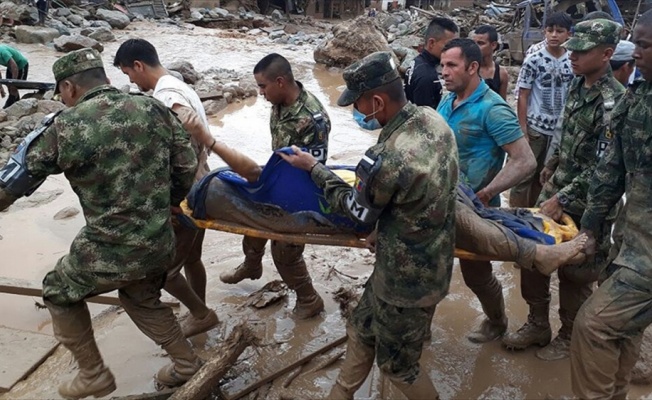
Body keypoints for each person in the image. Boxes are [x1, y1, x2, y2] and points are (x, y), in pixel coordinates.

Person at [0, 48, 202, 398]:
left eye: (61, 93)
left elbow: (10, 186)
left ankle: (93, 373)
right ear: (106, 79)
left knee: (59, 291)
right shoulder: (153, 107)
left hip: (110, 245)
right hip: (159, 239)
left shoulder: (64, 127)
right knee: (140, 295)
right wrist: (166, 203)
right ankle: (186, 364)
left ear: (69, 88)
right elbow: (187, 166)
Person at [280, 50, 458, 400]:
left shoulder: (387, 158)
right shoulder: (432, 120)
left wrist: (314, 169)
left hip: (404, 282)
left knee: (398, 367)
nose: (357, 112)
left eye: (358, 105)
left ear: (377, 101)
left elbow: (357, 217)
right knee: (361, 327)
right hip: (434, 260)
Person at [113, 39, 260, 338]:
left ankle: (201, 314)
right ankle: (199, 311)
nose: (130, 80)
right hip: (201, 183)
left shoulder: (168, 98)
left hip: (183, 193)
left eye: (128, 73)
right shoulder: (180, 87)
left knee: (164, 271)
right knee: (191, 258)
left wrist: (169, 199)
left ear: (139, 66)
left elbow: (179, 152)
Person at [503, 19, 626, 361]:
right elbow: (564, 129)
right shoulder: (577, 84)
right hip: (558, 187)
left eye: (582, 50)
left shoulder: (614, 103)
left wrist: (563, 197)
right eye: (573, 47)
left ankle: (569, 336)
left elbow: (605, 167)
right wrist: (551, 163)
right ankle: (537, 323)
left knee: (576, 271)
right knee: (531, 252)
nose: (572, 54)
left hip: (591, 203)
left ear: (606, 54)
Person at [570, 10, 652, 398]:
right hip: (628, 238)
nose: (635, 52)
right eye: (636, 42)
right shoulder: (638, 97)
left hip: (649, 253)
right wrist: (589, 227)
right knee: (624, 326)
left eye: (646, 45)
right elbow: (610, 171)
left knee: (593, 325)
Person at [437, 38, 536, 343]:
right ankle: (417, 329)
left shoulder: (492, 109)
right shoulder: (447, 100)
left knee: (476, 275)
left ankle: (497, 322)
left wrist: (486, 192)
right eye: (442, 65)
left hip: (476, 210)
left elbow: (525, 160)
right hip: (439, 204)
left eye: (451, 65)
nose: (444, 72)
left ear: (473, 66)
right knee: (428, 268)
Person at [219, 53, 330, 320]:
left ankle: (309, 300)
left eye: (263, 86)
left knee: (285, 252)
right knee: (251, 209)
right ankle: (252, 264)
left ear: (280, 82)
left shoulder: (312, 119)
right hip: (279, 178)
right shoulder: (279, 103)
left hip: (301, 190)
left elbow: (312, 169)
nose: (260, 93)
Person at [510, 12, 575, 208]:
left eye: (559, 31)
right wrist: (523, 128)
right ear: (544, 32)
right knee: (523, 176)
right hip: (535, 128)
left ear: (568, 34)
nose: (554, 35)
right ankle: (514, 217)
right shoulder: (534, 58)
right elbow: (523, 94)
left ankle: (534, 215)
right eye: (550, 30)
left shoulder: (572, 61)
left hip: (559, 130)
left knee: (545, 178)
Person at [403, 17, 458, 109]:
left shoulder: (417, 62)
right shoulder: (427, 76)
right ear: (432, 43)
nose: (453, 50)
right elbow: (426, 118)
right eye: (449, 45)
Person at [472, 25, 509, 99]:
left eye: (481, 43)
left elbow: (502, 104)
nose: (476, 47)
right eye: (474, 43)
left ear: (493, 45)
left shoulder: (501, 73)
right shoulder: (469, 69)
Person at [0, 44, 29, 109]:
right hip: (10, 67)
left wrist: (13, 82)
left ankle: (7, 107)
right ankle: (16, 103)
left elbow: (14, 66)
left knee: (14, 87)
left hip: (21, 65)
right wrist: (1, 87)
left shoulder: (3, 52)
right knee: (9, 86)